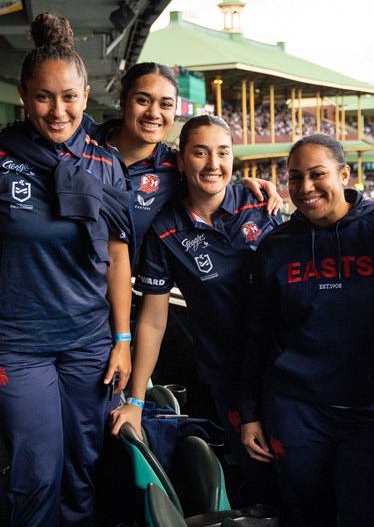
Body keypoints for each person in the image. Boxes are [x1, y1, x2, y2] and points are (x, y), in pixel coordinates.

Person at [0, 12, 133, 526]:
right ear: (24, 95)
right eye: (44, 96)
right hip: (17, 344)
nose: (58, 109)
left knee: (83, 466)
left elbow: (116, 255)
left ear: (86, 96)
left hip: (89, 342)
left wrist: (123, 338)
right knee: (36, 471)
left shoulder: (106, 163)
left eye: (69, 97)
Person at [240, 133, 374, 526]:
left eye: (317, 175)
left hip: (370, 412)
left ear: (344, 175)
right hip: (296, 410)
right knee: (304, 514)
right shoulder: (277, 246)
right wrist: (250, 412)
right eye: (294, 177)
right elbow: (258, 335)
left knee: (366, 514)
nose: (305, 188)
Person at [110, 114, 280, 506]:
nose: (213, 164)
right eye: (200, 153)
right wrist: (135, 402)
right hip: (230, 379)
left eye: (223, 152)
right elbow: (153, 320)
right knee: (259, 486)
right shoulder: (165, 230)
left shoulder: (260, 203)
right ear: (181, 161)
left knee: (301, 484)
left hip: (285, 373)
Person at [91, 62, 281, 247]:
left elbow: (209, 181)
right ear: (123, 103)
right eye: (143, 100)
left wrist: (241, 186)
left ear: (174, 113)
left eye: (165, 104)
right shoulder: (83, 139)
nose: (153, 113)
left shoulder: (174, 167)